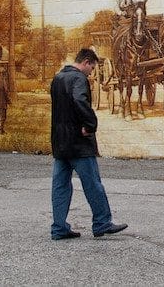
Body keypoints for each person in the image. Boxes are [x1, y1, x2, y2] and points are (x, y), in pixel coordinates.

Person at [50, 48, 127, 240]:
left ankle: (59, 228)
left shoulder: (57, 78)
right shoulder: (79, 79)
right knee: (93, 183)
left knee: (60, 186)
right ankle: (102, 222)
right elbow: (79, 100)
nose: (91, 73)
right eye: (91, 68)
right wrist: (90, 124)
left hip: (60, 143)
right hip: (79, 143)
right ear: (86, 62)